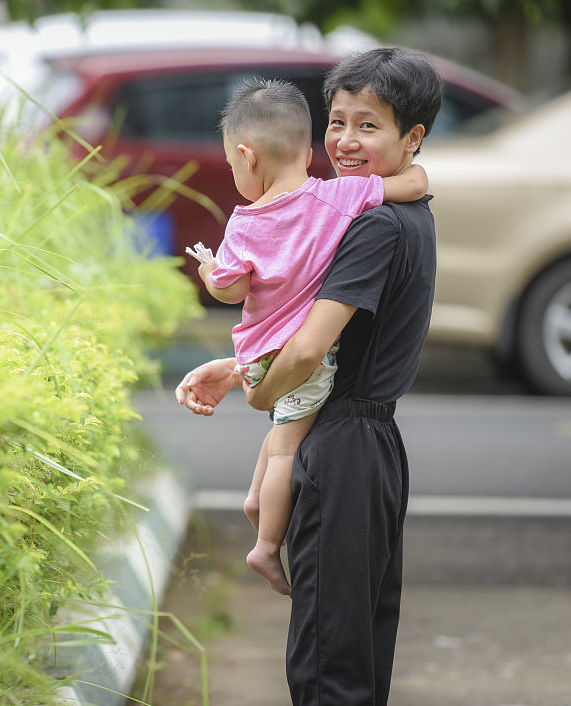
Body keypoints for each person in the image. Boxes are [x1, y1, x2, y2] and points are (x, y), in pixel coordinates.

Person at [175, 47, 443, 706]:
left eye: (368, 126)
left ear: (413, 136)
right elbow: (307, 328)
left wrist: (259, 390)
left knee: (329, 668)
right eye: (337, 121)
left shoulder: (373, 224)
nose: (347, 141)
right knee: (358, 651)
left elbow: (306, 352)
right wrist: (240, 368)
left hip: (342, 445)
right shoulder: (397, 209)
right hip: (370, 443)